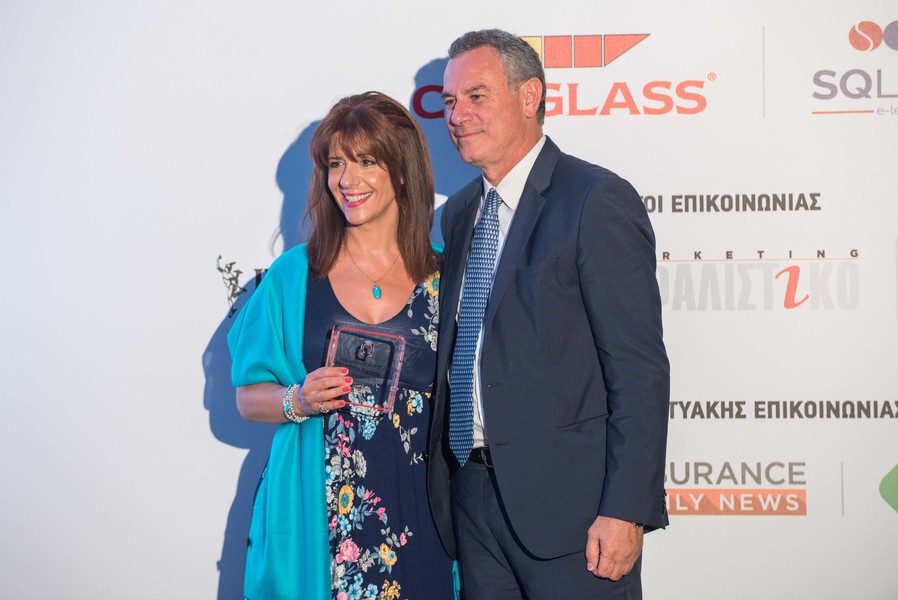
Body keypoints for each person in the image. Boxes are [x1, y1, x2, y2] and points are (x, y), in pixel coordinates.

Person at [426, 29, 670, 599]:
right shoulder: (459, 214)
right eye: (450, 101)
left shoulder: (593, 198)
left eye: (476, 96)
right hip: (472, 501)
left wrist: (625, 509)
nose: (457, 115)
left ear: (529, 96)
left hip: (575, 515)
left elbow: (637, 368)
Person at [228, 91, 455, 600]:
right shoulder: (293, 276)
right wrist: (298, 399)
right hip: (318, 514)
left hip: (423, 512)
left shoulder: (446, 275)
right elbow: (247, 397)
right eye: (336, 164)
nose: (348, 180)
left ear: (402, 171)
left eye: (366, 161)